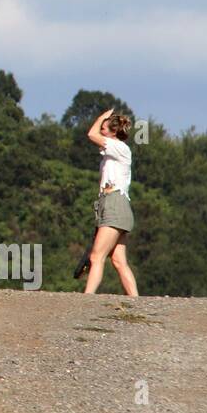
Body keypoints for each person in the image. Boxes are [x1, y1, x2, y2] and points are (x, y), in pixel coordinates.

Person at [81, 108, 139, 296]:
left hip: (115, 203)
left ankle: (87, 297)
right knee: (118, 261)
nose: (101, 131)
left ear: (113, 133)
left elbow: (91, 134)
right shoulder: (111, 152)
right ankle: (136, 302)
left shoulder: (119, 148)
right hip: (112, 204)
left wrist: (100, 117)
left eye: (104, 129)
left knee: (97, 256)